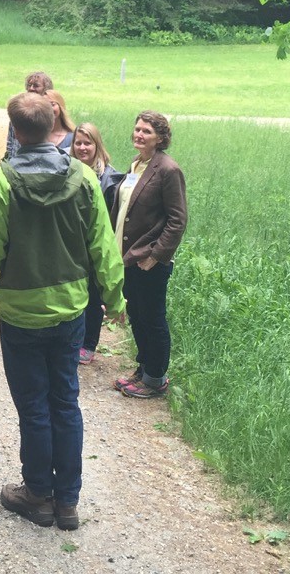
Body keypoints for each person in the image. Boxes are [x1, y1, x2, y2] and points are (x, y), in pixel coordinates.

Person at [0, 93, 122, 532]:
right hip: (71, 309)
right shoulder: (84, 178)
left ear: (15, 131)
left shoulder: (2, 182)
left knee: (34, 406)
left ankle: (37, 494)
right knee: (65, 401)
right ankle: (67, 502)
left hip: (21, 312)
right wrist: (116, 297)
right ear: (55, 127)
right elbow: (104, 245)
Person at [112, 110, 187, 400]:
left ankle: (155, 378)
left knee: (153, 318)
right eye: (137, 129)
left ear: (160, 138)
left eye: (146, 131)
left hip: (149, 261)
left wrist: (156, 255)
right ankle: (143, 369)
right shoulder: (137, 164)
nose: (139, 134)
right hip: (130, 256)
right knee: (137, 314)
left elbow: (177, 220)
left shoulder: (167, 170)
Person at [70, 123, 123, 365]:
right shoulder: (67, 170)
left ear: (97, 145)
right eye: (78, 143)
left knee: (93, 296)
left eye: (87, 143)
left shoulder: (109, 178)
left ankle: (88, 343)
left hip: (95, 243)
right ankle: (73, 338)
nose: (82, 148)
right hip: (72, 245)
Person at [4, 71, 53, 159]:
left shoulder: (50, 113)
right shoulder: (19, 110)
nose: (31, 88)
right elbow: (11, 140)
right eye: (29, 85)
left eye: (36, 85)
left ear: (46, 89)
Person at [44, 90, 75, 154]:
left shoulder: (73, 137)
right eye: (45, 106)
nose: (49, 109)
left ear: (60, 106)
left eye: (52, 104)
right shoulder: (36, 136)